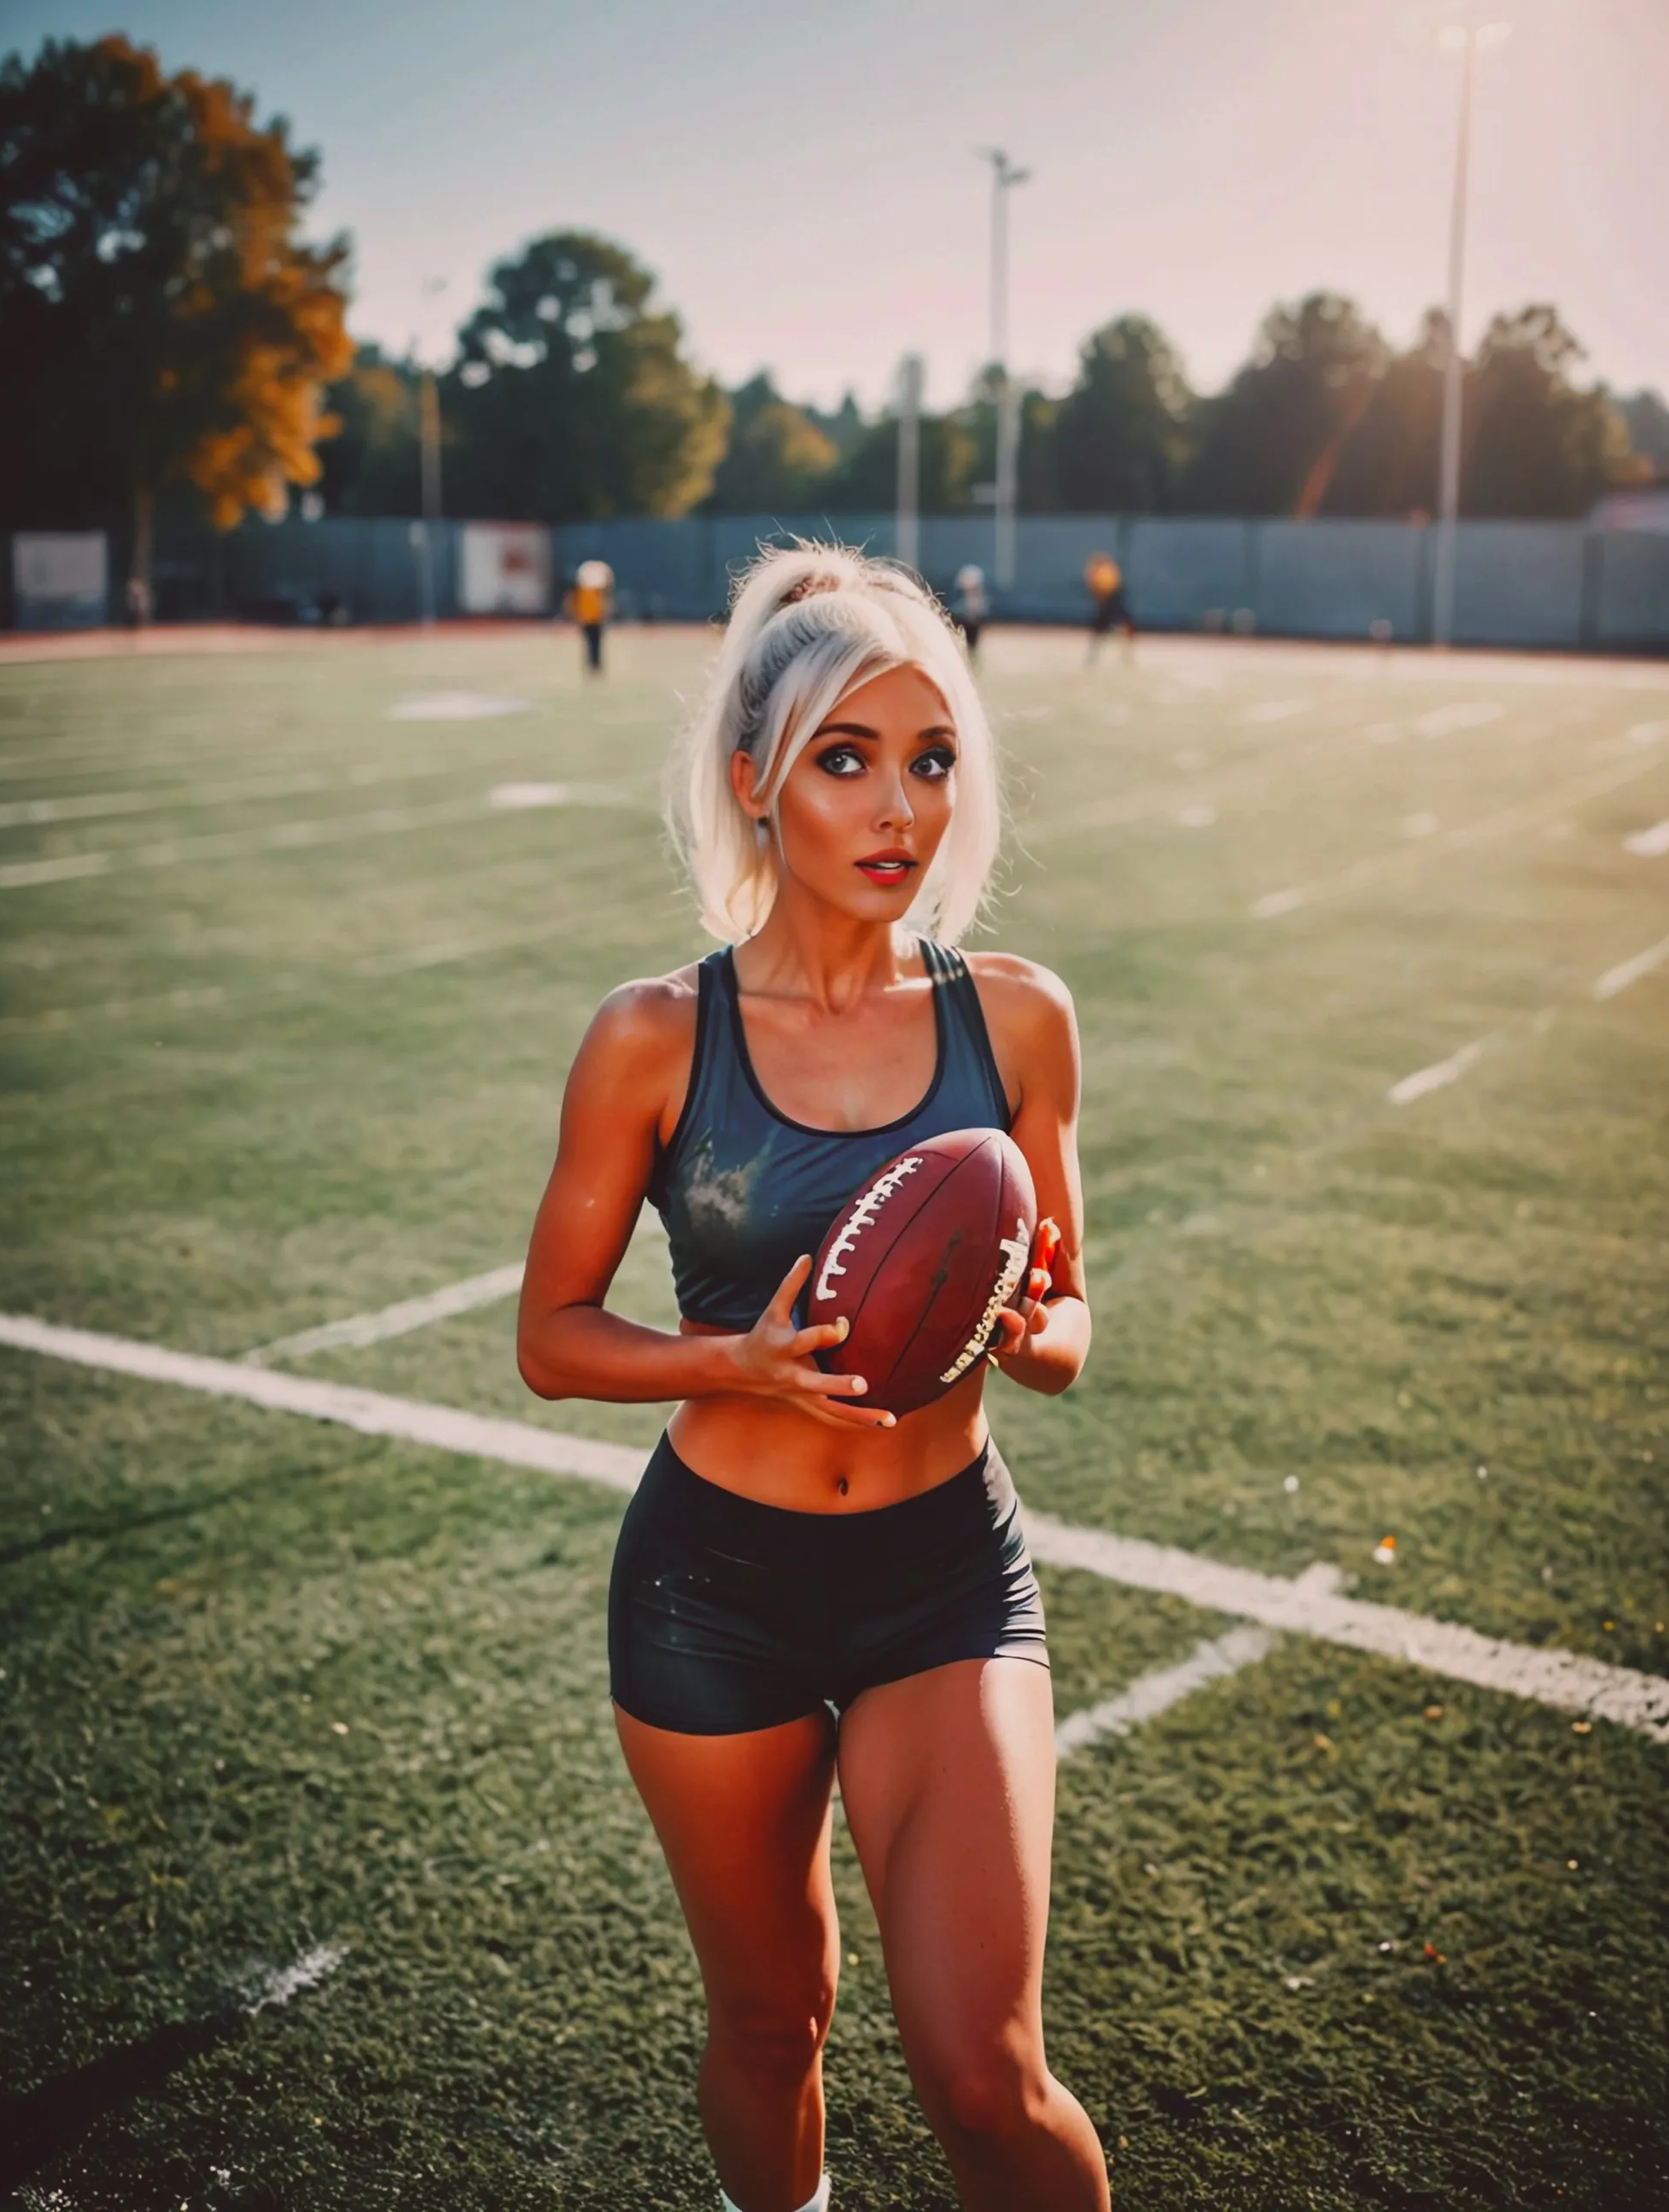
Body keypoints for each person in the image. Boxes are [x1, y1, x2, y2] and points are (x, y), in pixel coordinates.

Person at [518, 543, 1108, 2212]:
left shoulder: (1017, 1020)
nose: (895, 806)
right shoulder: (652, 1035)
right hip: (715, 1584)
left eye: (929, 760)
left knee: (983, 2076)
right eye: (843, 760)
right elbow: (551, 1336)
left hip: (943, 1579)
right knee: (774, 2023)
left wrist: (1013, 1327)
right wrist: (737, 1363)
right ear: (753, 783)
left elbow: (1068, 1329)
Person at [1083, 551, 1133, 662]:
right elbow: (1097, 589)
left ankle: (1125, 655)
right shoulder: (1101, 572)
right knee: (1102, 631)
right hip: (1107, 603)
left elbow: (1109, 586)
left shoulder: (1105, 571)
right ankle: (1094, 656)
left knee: (1117, 629)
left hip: (1110, 601)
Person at [572, 557, 614, 673]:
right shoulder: (588, 591)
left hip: (595, 618)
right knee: (591, 644)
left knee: (595, 644)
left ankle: (595, 665)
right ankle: (592, 665)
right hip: (589, 619)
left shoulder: (596, 591)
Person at [952, 563, 987, 657]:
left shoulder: (978, 603)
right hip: (965, 620)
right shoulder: (960, 605)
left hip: (972, 621)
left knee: (972, 644)